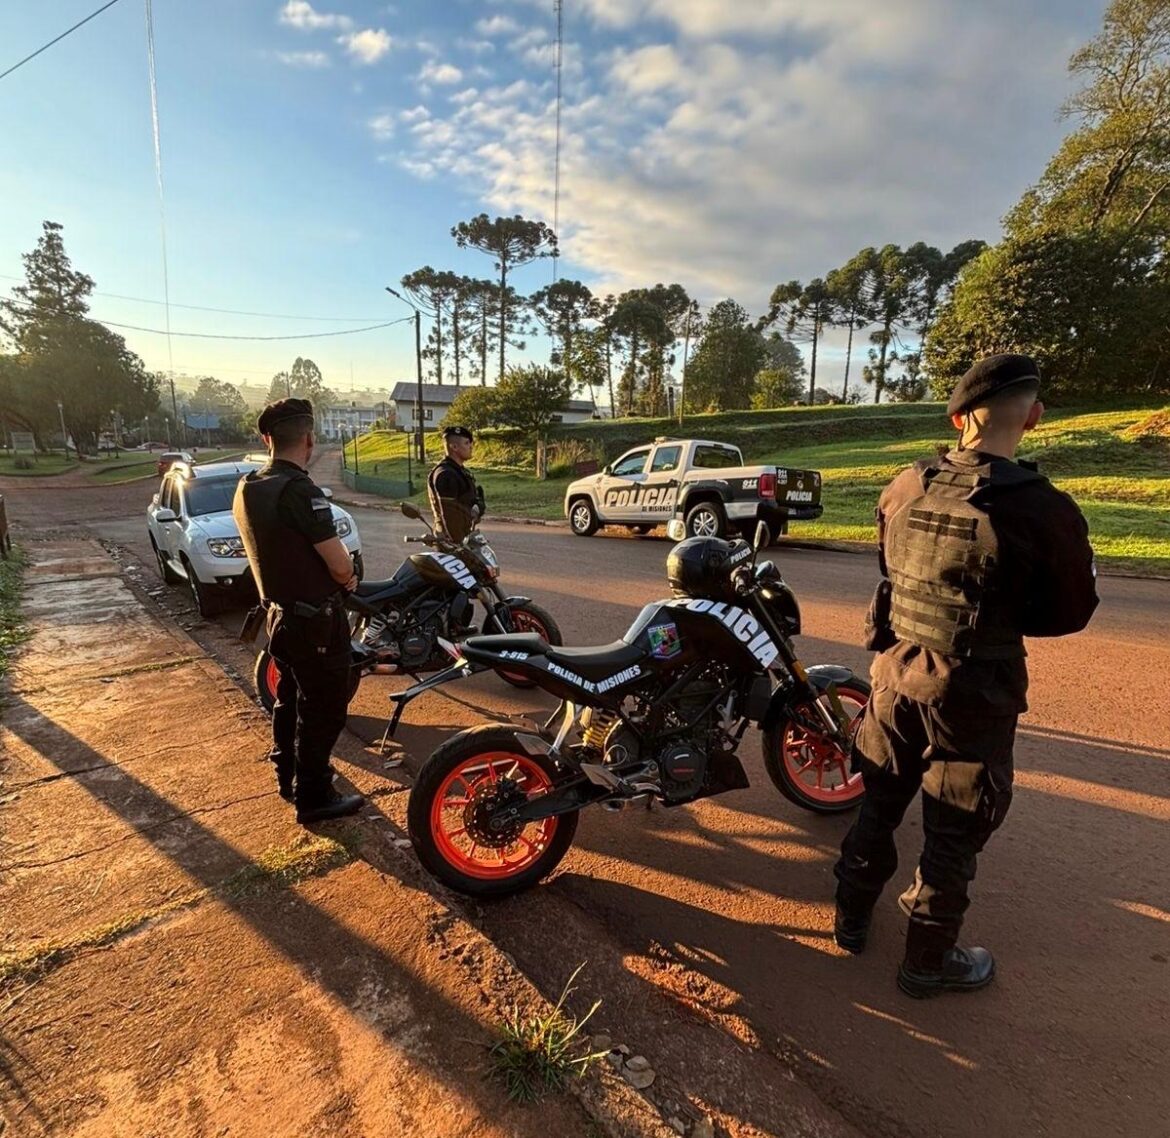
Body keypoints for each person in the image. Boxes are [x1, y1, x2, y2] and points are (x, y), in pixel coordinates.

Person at [833, 354, 1098, 998]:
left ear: (957, 418)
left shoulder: (904, 484)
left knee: (879, 801)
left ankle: (850, 922)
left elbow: (889, 568)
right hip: (973, 691)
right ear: (1033, 417)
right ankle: (926, 963)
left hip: (894, 677)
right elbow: (1069, 613)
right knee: (954, 825)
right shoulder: (1044, 508)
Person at [232, 398, 364, 824]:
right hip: (316, 623)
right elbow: (339, 562)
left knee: (289, 699)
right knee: (324, 707)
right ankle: (314, 795)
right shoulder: (299, 491)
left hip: (279, 616)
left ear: (267, 439)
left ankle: (286, 775)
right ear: (309, 439)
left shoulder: (249, 487)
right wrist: (347, 580)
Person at [426, 424, 483, 544]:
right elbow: (449, 516)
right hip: (451, 542)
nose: (471, 447)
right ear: (454, 447)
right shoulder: (445, 474)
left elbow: (465, 504)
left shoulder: (459, 471)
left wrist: (477, 506)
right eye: (467, 443)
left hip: (464, 537)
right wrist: (458, 545)